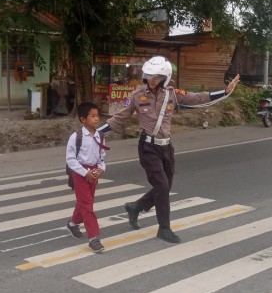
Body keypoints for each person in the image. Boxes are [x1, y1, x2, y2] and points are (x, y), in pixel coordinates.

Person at [97, 56, 240, 244]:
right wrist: (96, 133)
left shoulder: (172, 94)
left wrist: (225, 92)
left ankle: (136, 207)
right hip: (148, 147)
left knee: (165, 186)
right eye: (148, 76)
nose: (150, 80)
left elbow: (197, 98)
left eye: (155, 77)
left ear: (164, 77)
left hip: (167, 147)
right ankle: (164, 228)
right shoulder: (137, 96)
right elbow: (118, 118)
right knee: (162, 186)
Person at [66, 102, 108, 253]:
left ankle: (72, 224)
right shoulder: (76, 137)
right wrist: (85, 172)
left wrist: (101, 169)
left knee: (85, 202)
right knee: (87, 205)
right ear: (83, 119)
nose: (97, 119)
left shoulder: (100, 136)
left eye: (97, 116)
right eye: (93, 116)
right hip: (80, 173)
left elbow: (102, 157)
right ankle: (94, 238)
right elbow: (70, 159)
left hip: (94, 173)